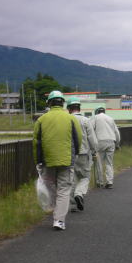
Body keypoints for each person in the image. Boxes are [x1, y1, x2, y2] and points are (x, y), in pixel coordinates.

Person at [33, 90, 83, 230]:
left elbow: (36, 142)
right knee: (64, 190)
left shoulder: (42, 119)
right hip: (67, 160)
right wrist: (76, 153)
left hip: (47, 161)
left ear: (49, 103)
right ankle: (59, 220)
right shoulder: (71, 118)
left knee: (51, 187)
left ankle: (53, 209)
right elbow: (78, 138)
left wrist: (38, 160)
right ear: (62, 103)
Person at [66, 97, 98, 212]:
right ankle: (79, 194)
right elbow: (92, 139)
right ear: (79, 108)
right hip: (84, 153)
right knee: (85, 177)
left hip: (70, 154)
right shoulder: (86, 120)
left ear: (69, 108)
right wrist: (94, 151)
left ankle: (73, 205)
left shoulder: (67, 119)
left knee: (72, 179)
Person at [90, 107, 120, 189]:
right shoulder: (110, 119)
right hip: (111, 142)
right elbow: (117, 132)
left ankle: (100, 182)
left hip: (100, 141)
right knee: (109, 163)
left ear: (97, 112)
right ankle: (110, 182)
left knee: (99, 163)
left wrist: (91, 144)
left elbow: (90, 130)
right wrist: (117, 144)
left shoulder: (95, 118)